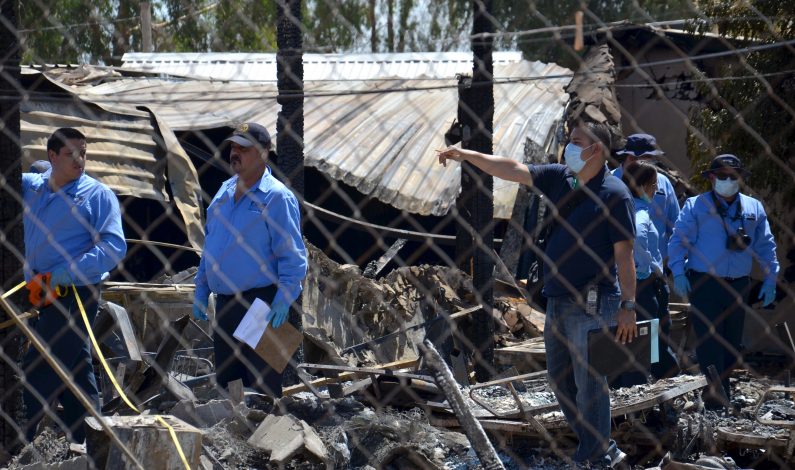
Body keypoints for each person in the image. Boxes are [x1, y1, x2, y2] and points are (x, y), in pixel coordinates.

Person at [438, 121, 636, 468]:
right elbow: (511, 168)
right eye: (568, 141)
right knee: (561, 379)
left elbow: (625, 256)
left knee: (590, 381)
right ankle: (600, 449)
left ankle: (599, 454)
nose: (568, 148)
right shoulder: (561, 179)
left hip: (594, 301)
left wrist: (628, 306)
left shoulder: (615, 194)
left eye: (576, 142)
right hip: (558, 298)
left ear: (597, 151)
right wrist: (466, 155)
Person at [22, 128, 127, 443]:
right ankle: (87, 440)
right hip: (35, 288)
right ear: (52, 156)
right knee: (74, 363)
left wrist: (60, 277)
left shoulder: (97, 195)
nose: (80, 159)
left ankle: (15, 441)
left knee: (39, 362)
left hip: (73, 291)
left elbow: (113, 248)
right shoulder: (33, 187)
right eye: (70, 153)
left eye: (83, 151)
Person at [193, 122, 307, 397]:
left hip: (261, 304)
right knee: (228, 384)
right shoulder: (223, 191)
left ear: (264, 152)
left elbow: (293, 256)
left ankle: (263, 437)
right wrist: (201, 289)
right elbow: (211, 246)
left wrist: (283, 299)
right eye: (233, 146)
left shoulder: (277, 197)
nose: (235, 153)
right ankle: (232, 441)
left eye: (243, 148)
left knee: (260, 387)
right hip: (225, 305)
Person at [668, 154, 778, 409]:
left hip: (738, 284)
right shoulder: (696, 206)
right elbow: (678, 241)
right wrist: (678, 272)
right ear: (712, 178)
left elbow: (766, 245)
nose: (728, 181)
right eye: (722, 176)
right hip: (705, 283)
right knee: (709, 342)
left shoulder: (753, 208)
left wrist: (771, 278)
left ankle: (723, 394)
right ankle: (715, 399)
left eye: (733, 176)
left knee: (731, 342)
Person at [614, 133, 680, 379]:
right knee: (642, 341)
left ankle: (652, 388)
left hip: (650, 279)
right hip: (636, 281)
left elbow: (675, 225)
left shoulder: (661, 184)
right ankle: (643, 395)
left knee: (654, 340)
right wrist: (648, 269)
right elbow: (636, 245)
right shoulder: (613, 184)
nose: (656, 187)